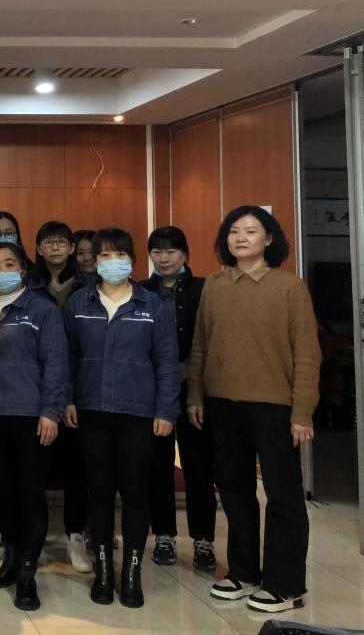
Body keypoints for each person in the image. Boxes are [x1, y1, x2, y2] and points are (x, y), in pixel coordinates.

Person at [187, 206, 320, 614]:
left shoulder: (289, 286)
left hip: (275, 406)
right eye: (233, 231)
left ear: (269, 238)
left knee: (283, 494)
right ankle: (244, 572)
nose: (241, 238)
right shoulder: (214, 285)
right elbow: (201, 345)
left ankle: (286, 585)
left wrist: (302, 411)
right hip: (223, 403)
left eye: (250, 230)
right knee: (234, 490)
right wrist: (196, 395)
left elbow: (307, 353)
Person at [63, 227, 178, 609]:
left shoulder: (152, 305)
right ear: (94, 262)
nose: (113, 262)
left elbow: (166, 362)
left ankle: (131, 571)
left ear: (132, 260)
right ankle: (102, 571)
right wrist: (67, 399)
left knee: (135, 493)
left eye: (120, 255)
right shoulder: (79, 303)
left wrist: (165, 410)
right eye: (105, 256)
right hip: (91, 411)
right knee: (98, 492)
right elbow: (67, 358)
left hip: (138, 414)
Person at [0, 242, 66, 610]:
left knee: (30, 493)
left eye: (9, 263)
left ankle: (28, 572)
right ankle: (11, 562)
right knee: (2, 493)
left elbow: (56, 364)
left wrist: (51, 412)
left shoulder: (42, 309)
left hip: (31, 416)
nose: (2, 270)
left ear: (24, 269)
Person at [141, 226, 216, 572]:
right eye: (157, 251)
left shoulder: (204, 289)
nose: (164, 258)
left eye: (171, 251)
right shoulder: (141, 291)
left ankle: (203, 541)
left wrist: (189, 372)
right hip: (153, 391)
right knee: (157, 467)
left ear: (184, 254)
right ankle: (164, 536)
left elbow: (211, 339)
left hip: (194, 390)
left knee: (198, 466)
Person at [29, 220, 90, 573]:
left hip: (81, 391)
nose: (54, 247)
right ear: (38, 248)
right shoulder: (29, 287)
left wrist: (69, 396)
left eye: (61, 241)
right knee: (36, 468)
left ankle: (75, 534)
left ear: (71, 247)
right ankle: (33, 539)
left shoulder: (88, 286)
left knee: (76, 468)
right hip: (36, 391)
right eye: (47, 241)